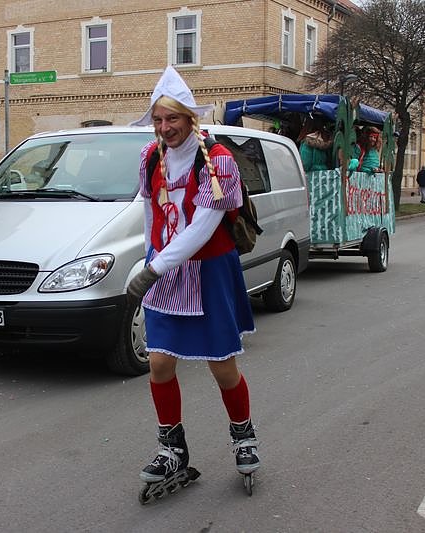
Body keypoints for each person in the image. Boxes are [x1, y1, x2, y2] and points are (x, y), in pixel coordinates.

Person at [127, 66, 259, 496]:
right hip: (164, 267)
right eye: (159, 120)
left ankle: (243, 437)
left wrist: (154, 268)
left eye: (173, 119)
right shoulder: (150, 157)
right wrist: (150, 256)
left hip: (207, 270)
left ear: (190, 119)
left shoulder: (217, 160)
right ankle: (172, 448)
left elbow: (204, 225)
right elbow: (149, 211)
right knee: (161, 362)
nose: (166, 128)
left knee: (221, 365)